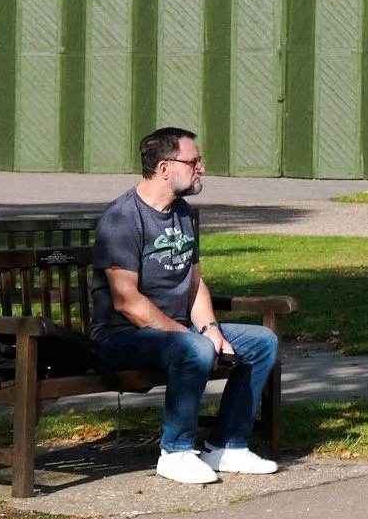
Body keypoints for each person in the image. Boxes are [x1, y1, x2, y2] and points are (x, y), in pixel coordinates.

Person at [91, 126, 279, 485]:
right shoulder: (122, 219)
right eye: (193, 161)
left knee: (261, 342)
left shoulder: (181, 213)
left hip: (173, 334)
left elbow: (193, 283)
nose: (201, 168)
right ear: (165, 168)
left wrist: (211, 330)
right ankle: (175, 453)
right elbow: (126, 301)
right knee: (191, 349)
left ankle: (227, 445)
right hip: (121, 338)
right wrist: (190, 337)